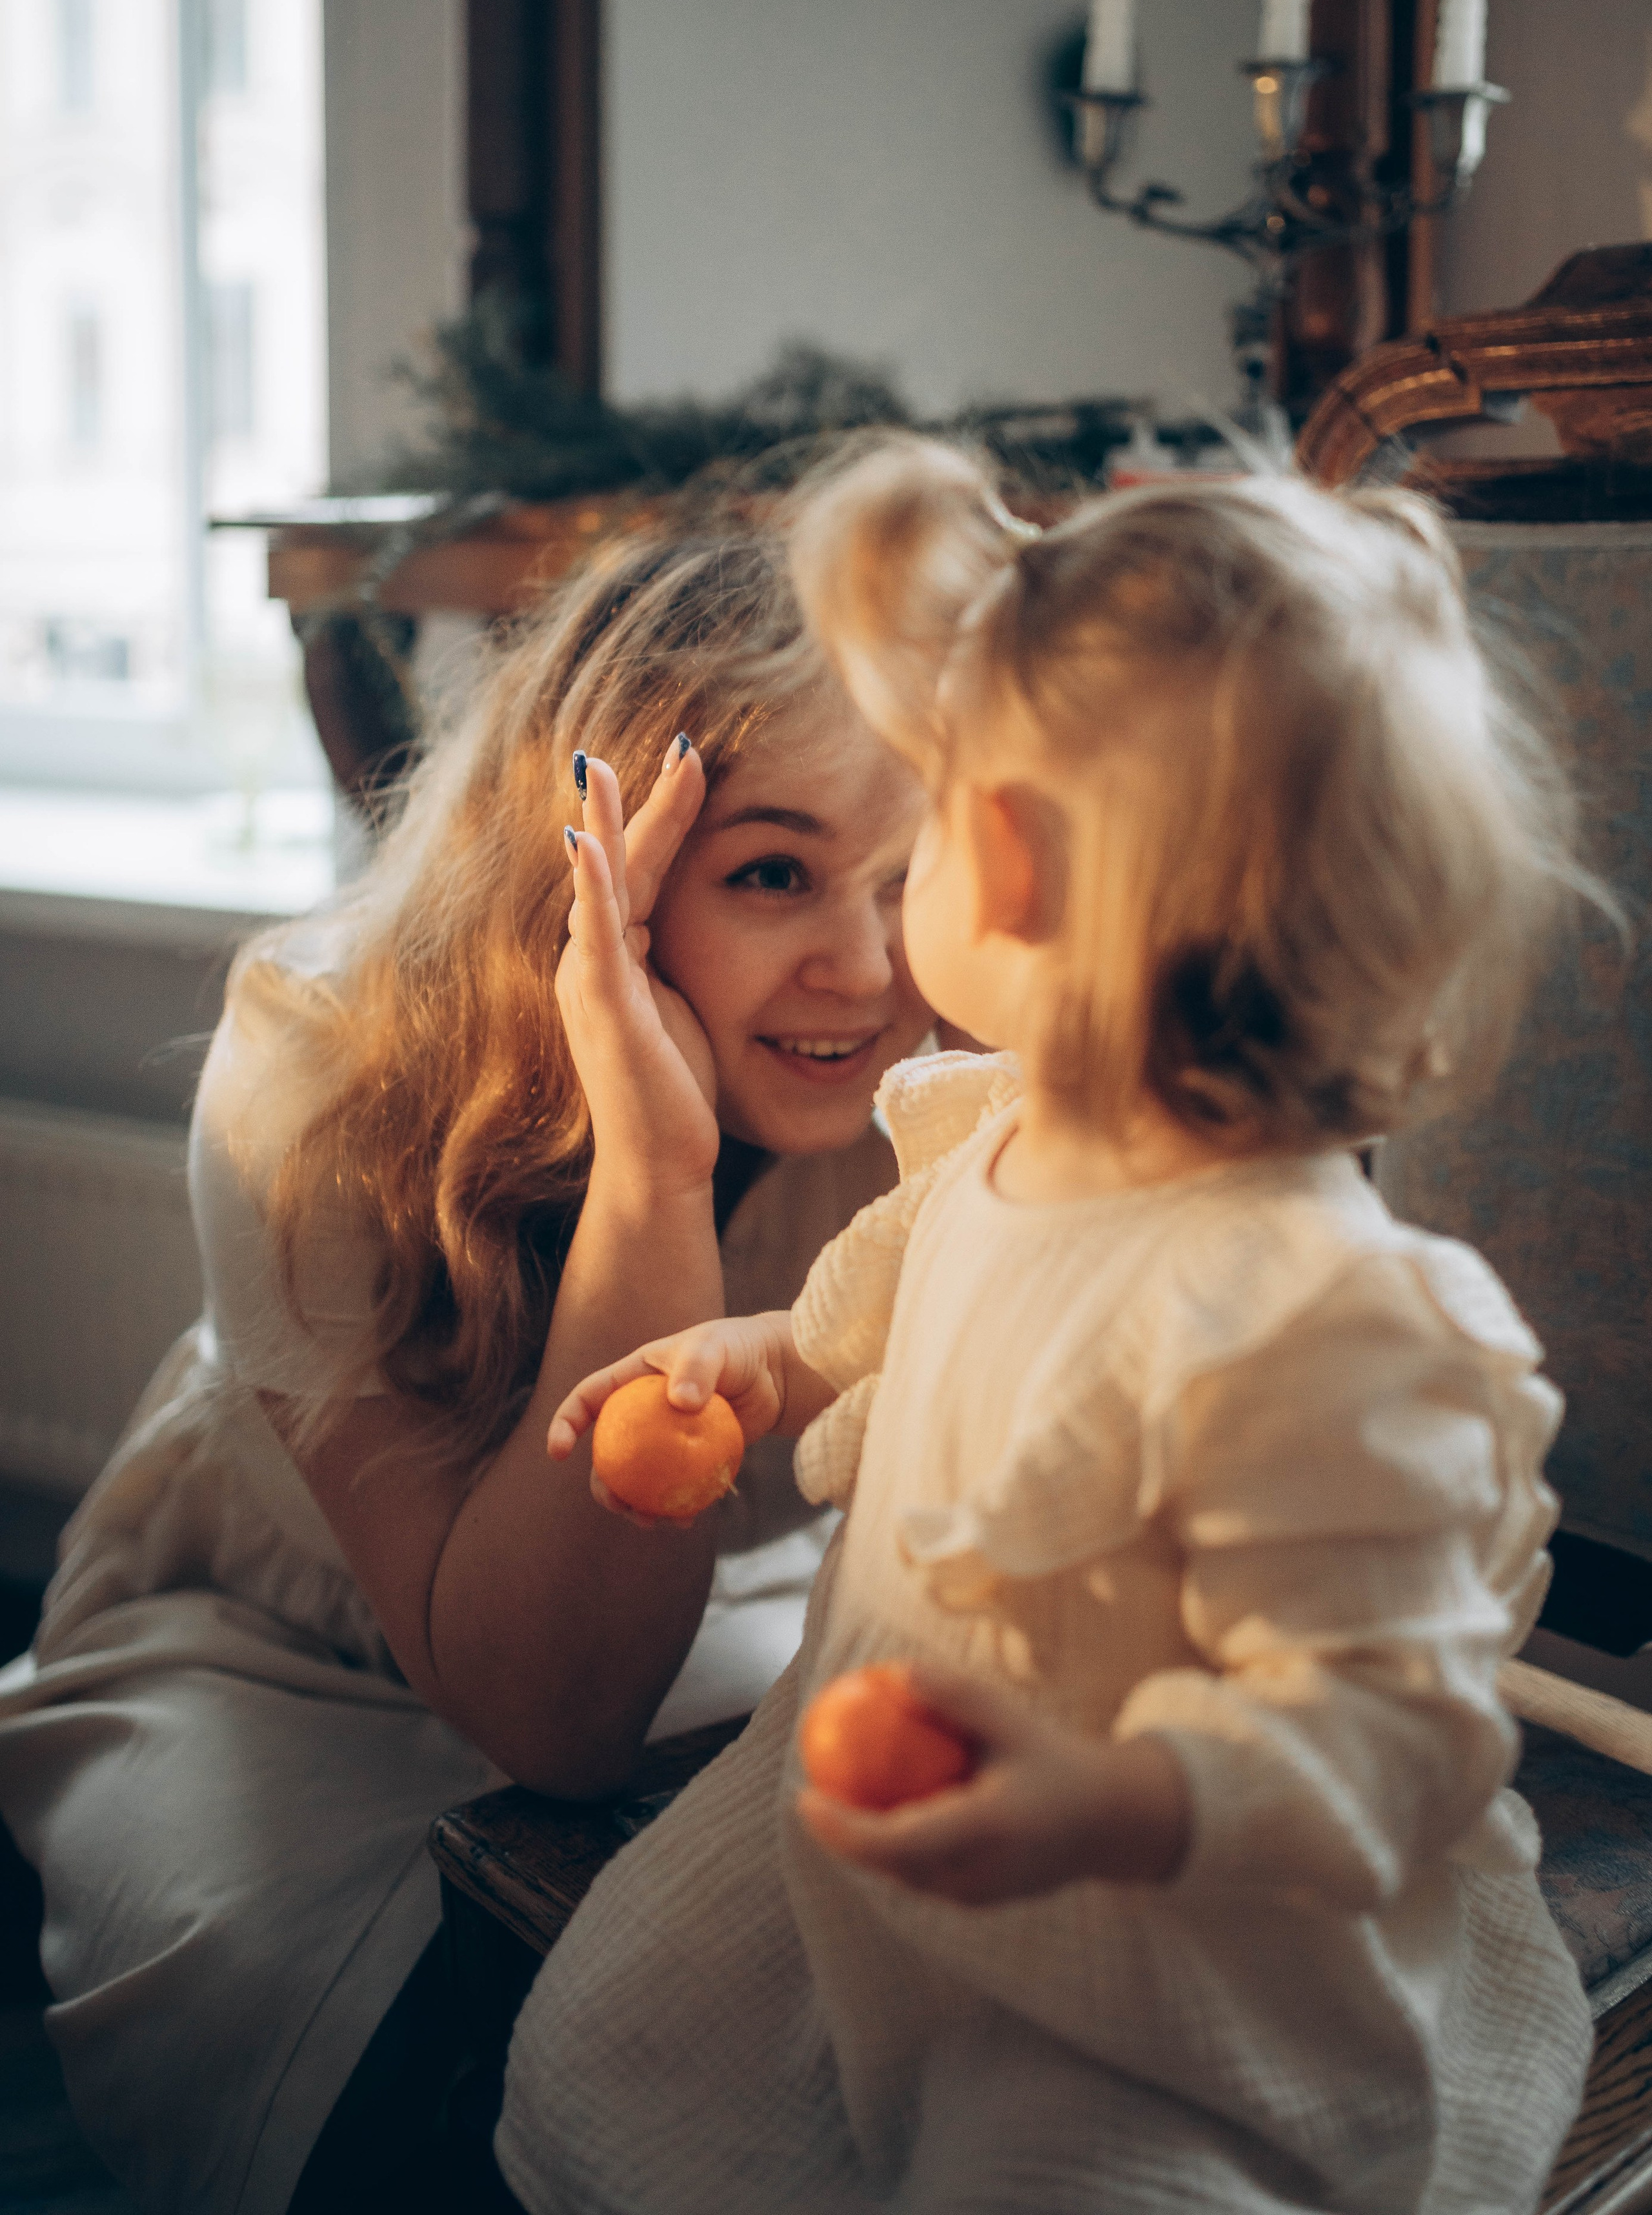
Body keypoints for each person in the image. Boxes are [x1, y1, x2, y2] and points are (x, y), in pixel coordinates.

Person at [504, 444, 1600, 2215]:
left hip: (1166, 1945)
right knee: (609, 2053)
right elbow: (858, 1324)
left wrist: (1107, 1801)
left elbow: (1386, 1737)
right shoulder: (1006, 1131)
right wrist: (738, 1367)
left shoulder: (1321, 1316)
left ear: (998, 860)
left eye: (926, 812)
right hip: (874, 1828)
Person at [0, 528, 934, 2215]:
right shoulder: (318, 1053)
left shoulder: (949, 1043)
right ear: (601, 867)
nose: (869, 969)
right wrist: (650, 1174)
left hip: (717, 1596)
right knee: (406, 2081)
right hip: (282, 1640)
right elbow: (552, 1718)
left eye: (911, 873)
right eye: (776, 872)